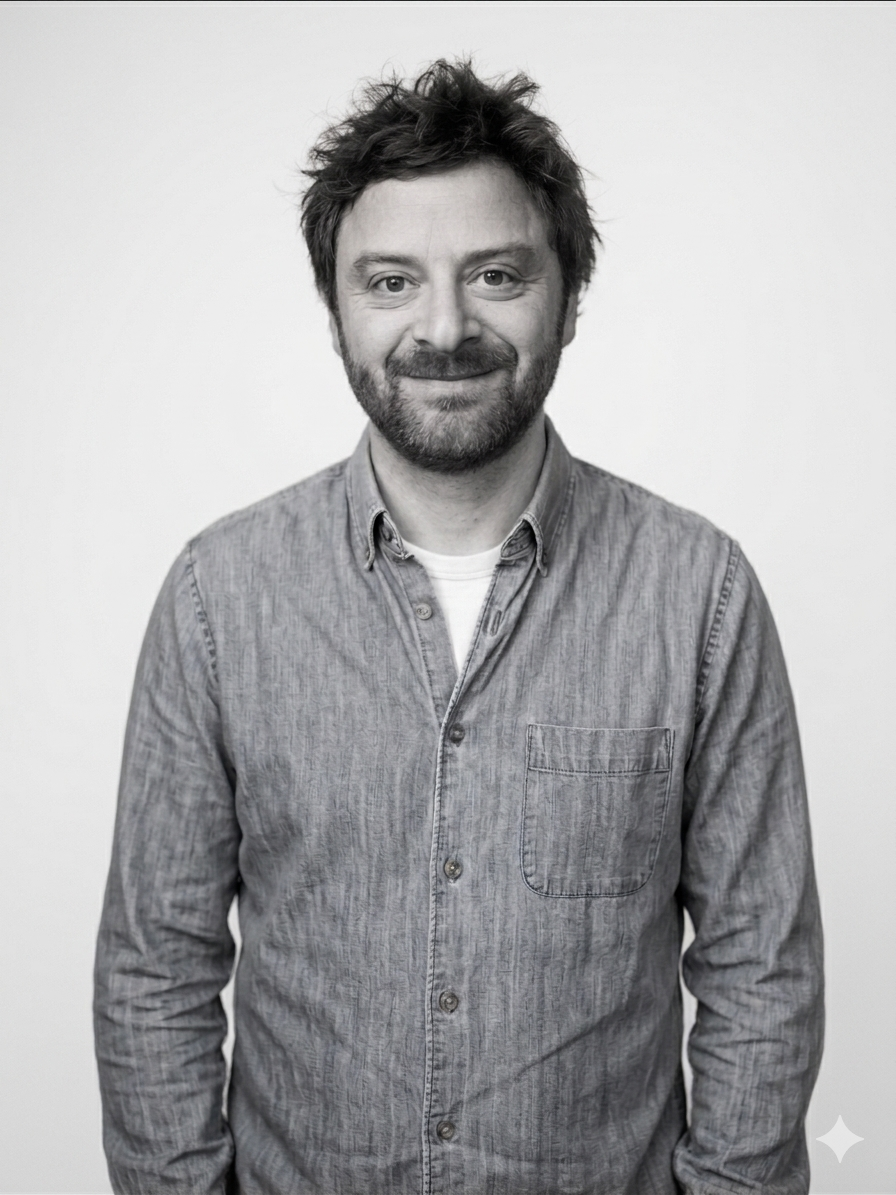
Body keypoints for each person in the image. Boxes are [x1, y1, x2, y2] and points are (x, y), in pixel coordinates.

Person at [94, 60, 824, 1195]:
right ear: (335, 310)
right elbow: (155, 974)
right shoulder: (217, 598)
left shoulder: (699, 595)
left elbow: (759, 974)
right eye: (391, 281)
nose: (443, 326)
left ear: (568, 298)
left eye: (495, 274)